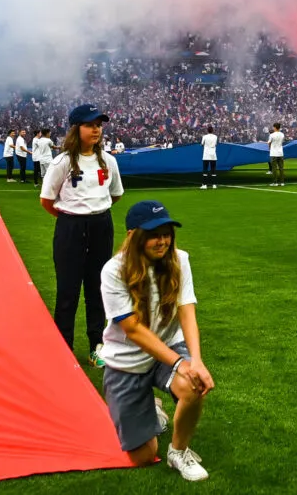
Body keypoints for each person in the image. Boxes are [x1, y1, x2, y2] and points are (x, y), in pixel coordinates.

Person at [96, 199, 213, 481]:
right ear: (133, 236)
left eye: (166, 233)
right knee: (144, 457)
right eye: (153, 235)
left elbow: (187, 310)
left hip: (168, 346)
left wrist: (195, 361)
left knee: (193, 383)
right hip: (126, 362)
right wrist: (180, 363)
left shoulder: (180, 260)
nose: (162, 241)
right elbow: (133, 329)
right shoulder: (113, 270)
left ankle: (178, 452)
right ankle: (153, 410)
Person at [41, 104, 125, 363]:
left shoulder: (108, 160)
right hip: (70, 227)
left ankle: (96, 345)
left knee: (97, 288)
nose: (96, 130)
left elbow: (115, 194)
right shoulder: (63, 162)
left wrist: (94, 214)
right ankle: (63, 349)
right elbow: (47, 200)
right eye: (90, 125)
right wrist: (72, 218)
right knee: (68, 290)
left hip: (101, 225)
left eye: (99, 125)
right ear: (76, 129)